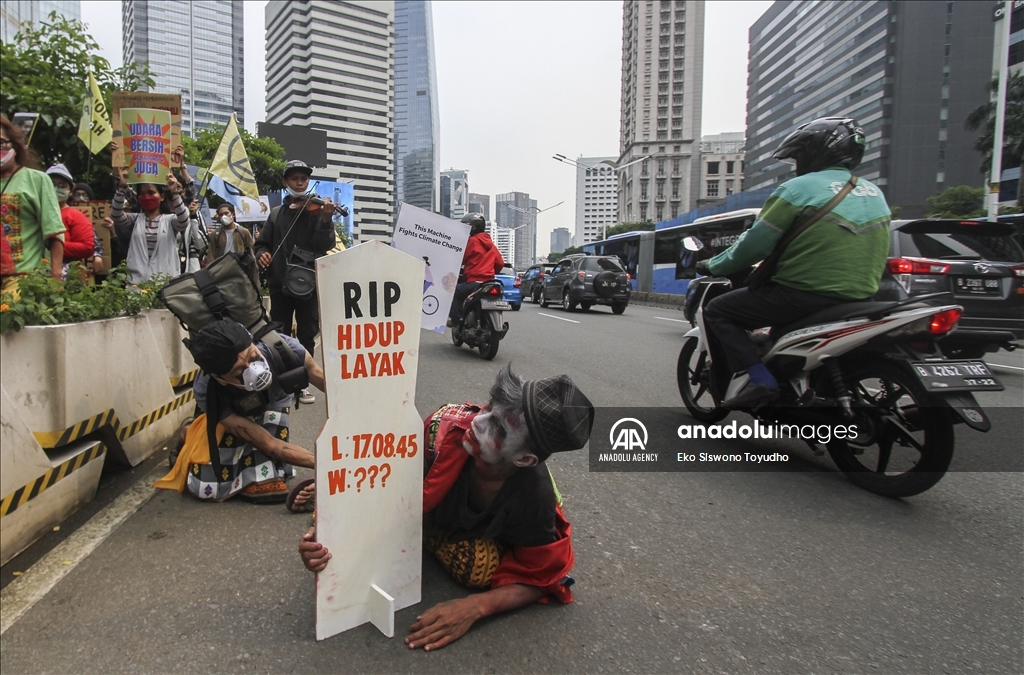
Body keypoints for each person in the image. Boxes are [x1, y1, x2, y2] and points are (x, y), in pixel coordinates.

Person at [298, 366, 594, 652]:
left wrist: (474, 608)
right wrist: (330, 534)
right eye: (489, 406)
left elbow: (543, 575)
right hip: (414, 502)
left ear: (526, 460)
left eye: (498, 427)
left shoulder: (535, 496)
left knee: (479, 569)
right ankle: (326, 488)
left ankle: (405, 529)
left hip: (456, 529)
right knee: (336, 514)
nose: (479, 422)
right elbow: (382, 481)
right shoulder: (439, 431)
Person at [696, 117, 890, 408]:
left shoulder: (798, 189)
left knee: (718, 310)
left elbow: (754, 246)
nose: (797, 163)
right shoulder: (875, 193)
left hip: (801, 295)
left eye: (798, 156)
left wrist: (713, 265)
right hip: (862, 296)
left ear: (813, 153)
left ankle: (761, 380)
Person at [154, 319, 326, 502]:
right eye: (239, 372)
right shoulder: (207, 391)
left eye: (253, 357)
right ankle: (189, 432)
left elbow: (340, 398)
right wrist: (327, 465)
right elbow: (271, 445)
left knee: (271, 474)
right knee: (209, 484)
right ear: (221, 380)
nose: (254, 370)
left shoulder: (286, 349)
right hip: (236, 414)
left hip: (273, 403)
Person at [254, 160, 337, 405]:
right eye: (294, 179)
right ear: (285, 182)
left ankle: (302, 384)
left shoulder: (317, 210)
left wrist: (325, 221)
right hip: (281, 284)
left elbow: (325, 245)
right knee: (278, 335)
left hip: (307, 285)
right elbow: (262, 244)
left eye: (303, 179)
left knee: (307, 335)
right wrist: (262, 255)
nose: (300, 183)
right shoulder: (277, 213)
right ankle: (281, 380)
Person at [0, 115, 64, 294]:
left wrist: (56, 277)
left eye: (1, 142)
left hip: (23, 278)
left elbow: (54, 232)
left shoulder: (37, 180)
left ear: (13, 143)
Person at [110, 168, 189, 284]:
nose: (147, 197)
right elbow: (116, 215)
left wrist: (175, 193)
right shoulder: (135, 219)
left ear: (161, 197)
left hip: (164, 283)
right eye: (142, 194)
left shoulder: (169, 220)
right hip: (136, 283)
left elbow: (183, 221)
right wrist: (121, 188)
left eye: (151, 193)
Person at [447, 213, 504, 328]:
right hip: (489, 282)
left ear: (474, 227)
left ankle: (457, 320)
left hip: (473, 282)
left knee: (451, 292)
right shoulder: (491, 245)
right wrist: (489, 271)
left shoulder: (472, 241)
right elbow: (500, 263)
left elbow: (461, 259)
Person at [46, 164, 96, 271]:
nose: (55, 189)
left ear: (71, 191)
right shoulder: (33, 213)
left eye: (62, 186)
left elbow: (87, 248)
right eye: (51, 184)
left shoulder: (75, 216)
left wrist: (52, 247)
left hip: (69, 276)